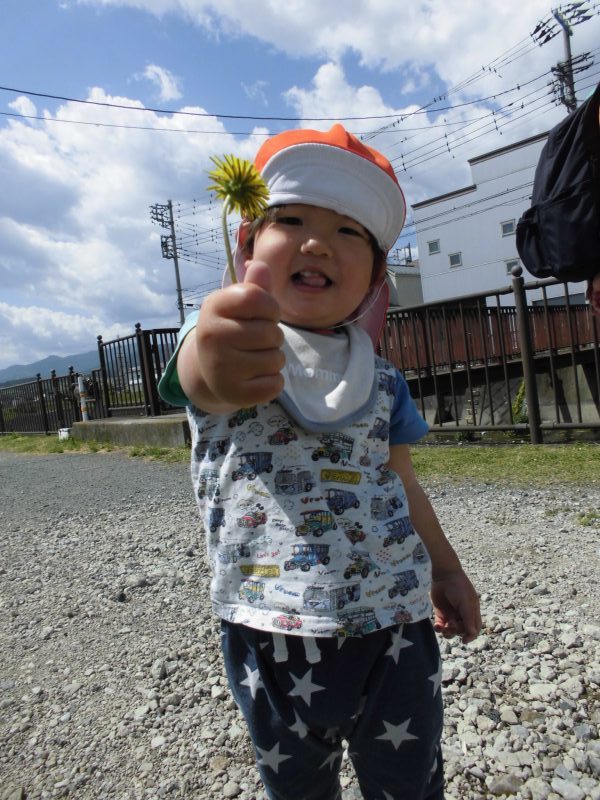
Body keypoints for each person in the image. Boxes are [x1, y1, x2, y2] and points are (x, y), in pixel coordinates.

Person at [158, 125, 481, 800]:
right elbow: (203, 375)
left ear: (376, 276)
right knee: (298, 790)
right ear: (245, 243)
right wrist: (216, 348)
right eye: (292, 219)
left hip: (395, 625)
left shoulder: (384, 379)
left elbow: (402, 480)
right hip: (271, 629)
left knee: (410, 783)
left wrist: (447, 570)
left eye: (349, 232)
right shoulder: (225, 340)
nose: (316, 242)